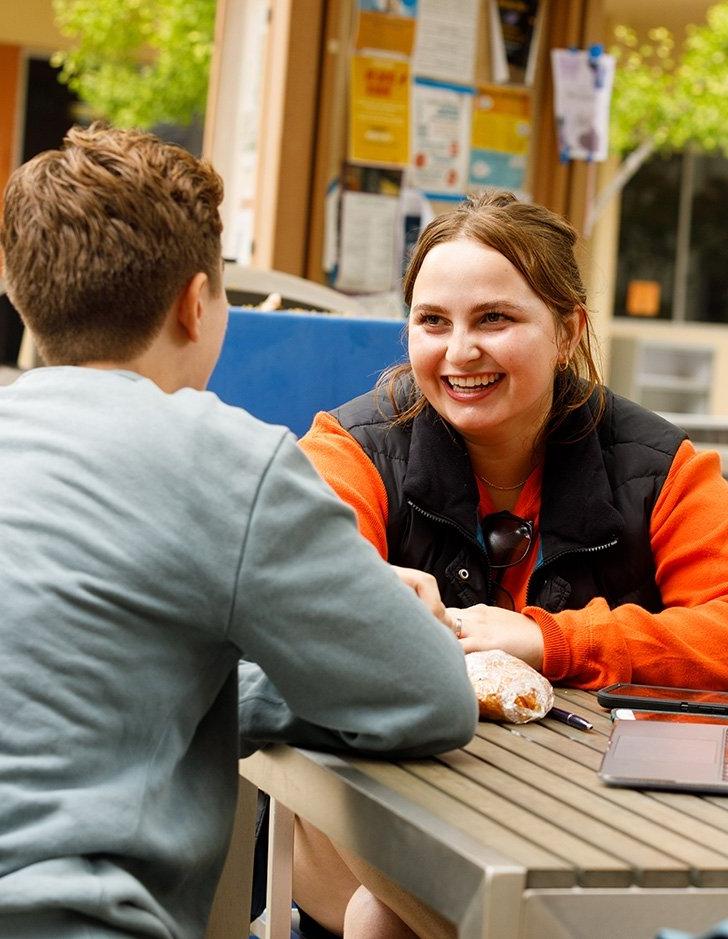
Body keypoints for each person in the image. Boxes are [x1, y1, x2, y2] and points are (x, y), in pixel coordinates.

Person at [0, 123, 478, 939]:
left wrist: (224, 677)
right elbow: (431, 700)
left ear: (25, 300)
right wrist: (340, 647)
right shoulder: (220, 458)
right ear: (197, 303)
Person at [294, 189, 728, 937]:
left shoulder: (666, 470)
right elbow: (299, 610)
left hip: (590, 826)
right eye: (433, 321)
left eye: (494, 318)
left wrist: (552, 640)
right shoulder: (348, 449)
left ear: (567, 331)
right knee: (379, 918)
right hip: (368, 830)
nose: (460, 351)